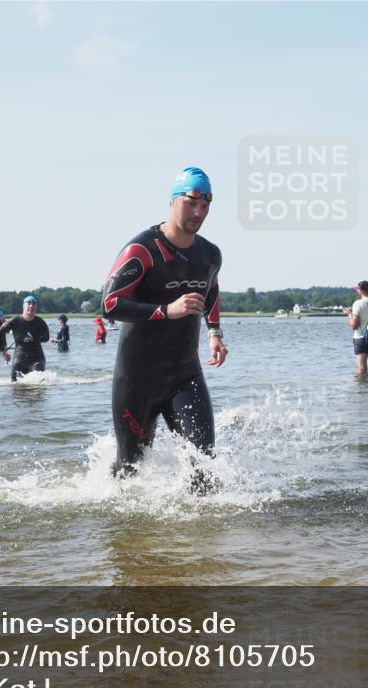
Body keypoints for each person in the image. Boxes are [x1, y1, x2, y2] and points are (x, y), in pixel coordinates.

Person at [101, 166, 227, 490]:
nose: (198, 212)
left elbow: (210, 290)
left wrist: (215, 333)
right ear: (173, 201)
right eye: (191, 203)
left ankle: (198, 540)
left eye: (205, 206)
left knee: (204, 467)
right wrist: (166, 310)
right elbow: (110, 304)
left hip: (185, 375)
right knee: (129, 470)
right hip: (137, 379)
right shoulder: (142, 250)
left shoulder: (209, 254)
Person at [0, 295, 50, 382]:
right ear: (23, 306)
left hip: (37, 359)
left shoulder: (40, 322)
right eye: (29, 303)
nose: (31, 306)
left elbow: (46, 338)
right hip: (19, 358)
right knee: (14, 383)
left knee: (38, 384)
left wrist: (34, 339)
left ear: (36, 307)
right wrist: (3, 352)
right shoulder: (14, 321)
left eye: (34, 304)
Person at [346, 280, 368, 374]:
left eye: (357, 289)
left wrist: (349, 315)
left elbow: (354, 326)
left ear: (360, 290)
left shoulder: (358, 304)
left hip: (360, 338)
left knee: (361, 369)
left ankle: (362, 388)